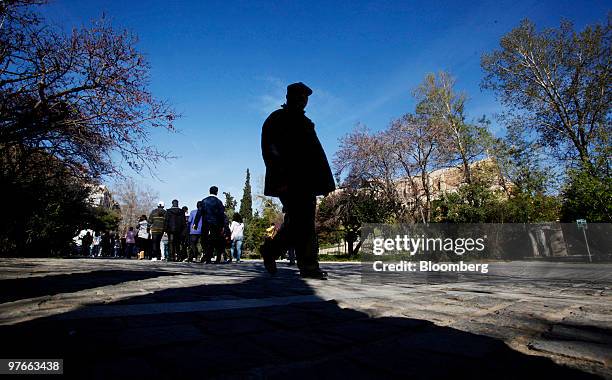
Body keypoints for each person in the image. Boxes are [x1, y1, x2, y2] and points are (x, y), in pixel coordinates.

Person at [261, 82, 335, 279]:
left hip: (307, 182)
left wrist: (325, 182)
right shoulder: (277, 119)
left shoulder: (306, 123)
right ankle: (307, 265)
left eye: (306, 97)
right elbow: (270, 151)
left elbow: (317, 155)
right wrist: (280, 177)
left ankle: (274, 251)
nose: (303, 100)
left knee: (301, 222)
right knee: (302, 222)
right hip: (289, 180)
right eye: (299, 95)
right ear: (289, 96)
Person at [193, 186, 226, 264]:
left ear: (209, 191)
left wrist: (196, 223)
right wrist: (222, 225)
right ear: (217, 192)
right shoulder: (219, 202)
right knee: (215, 240)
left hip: (206, 223)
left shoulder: (204, 201)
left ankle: (207, 257)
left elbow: (199, 212)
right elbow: (222, 215)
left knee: (204, 240)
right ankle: (217, 257)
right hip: (216, 224)